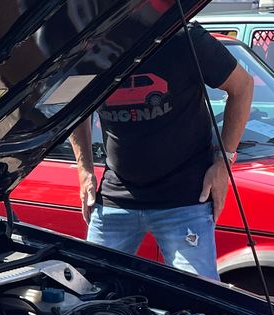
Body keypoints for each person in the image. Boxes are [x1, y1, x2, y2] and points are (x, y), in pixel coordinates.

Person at [69, 24, 253, 281]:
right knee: (90, 291)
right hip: (116, 194)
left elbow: (242, 86)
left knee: (197, 297)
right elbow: (76, 106)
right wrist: (84, 169)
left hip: (185, 198)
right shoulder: (89, 45)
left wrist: (224, 162)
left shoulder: (182, 37)